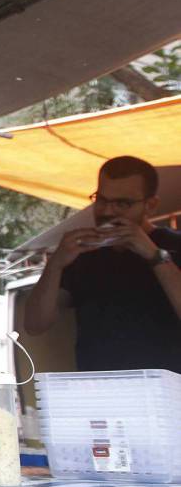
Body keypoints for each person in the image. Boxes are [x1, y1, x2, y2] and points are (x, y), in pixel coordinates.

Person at [24, 156, 181, 373]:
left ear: (150, 205)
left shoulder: (174, 245)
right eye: (102, 199)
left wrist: (155, 256)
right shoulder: (83, 252)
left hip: (167, 394)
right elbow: (34, 324)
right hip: (98, 392)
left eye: (122, 203)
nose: (107, 211)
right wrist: (55, 264)